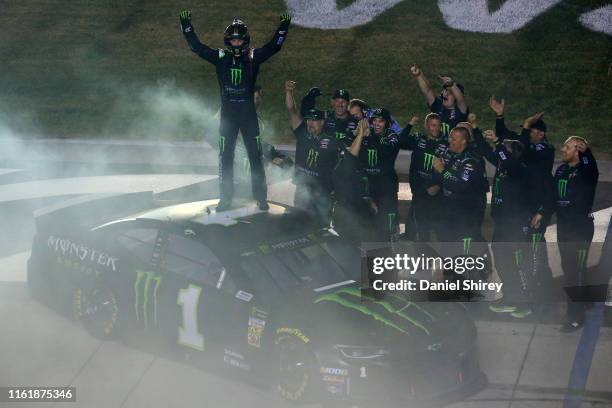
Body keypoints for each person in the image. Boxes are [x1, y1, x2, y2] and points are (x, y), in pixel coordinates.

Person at [179, 10, 292, 211]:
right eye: (233, 40)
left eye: (240, 40)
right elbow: (196, 47)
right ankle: (225, 199)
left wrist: (283, 27)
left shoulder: (253, 56)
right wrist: (186, 25)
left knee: (255, 158)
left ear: (245, 41)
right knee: (225, 159)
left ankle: (261, 198)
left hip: (248, 119)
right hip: (228, 120)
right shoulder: (220, 56)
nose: (237, 43)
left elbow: (275, 46)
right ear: (227, 41)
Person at [489, 97, 555, 293]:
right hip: (528, 204)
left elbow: (519, 146)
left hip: (539, 205)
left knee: (534, 251)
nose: (525, 134)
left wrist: (542, 211)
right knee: (527, 250)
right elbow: (508, 137)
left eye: (530, 130)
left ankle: (540, 289)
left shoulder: (545, 149)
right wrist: (499, 116)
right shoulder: (526, 145)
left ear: (541, 134)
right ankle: (535, 288)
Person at [539, 136, 599, 332]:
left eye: (567, 147)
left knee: (575, 271)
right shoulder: (561, 170)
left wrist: (587, 152)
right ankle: (586, 300)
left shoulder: (586, 171)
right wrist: (543, 213)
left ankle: (576, 316)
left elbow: (591, 170)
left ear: (577, 150)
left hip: (580, 228)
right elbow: (553, 197)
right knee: (569, 268)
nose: (563, 149)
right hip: (564, 227)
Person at [474, 129, 532, 317]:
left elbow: (505, 158)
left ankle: (524, 302)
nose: (501, 153)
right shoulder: (503, 165)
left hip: (515, 224)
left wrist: (499, 142)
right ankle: (510, 296)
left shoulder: (519, 169)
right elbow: (485, 150)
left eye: (506, 150)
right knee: (502, 261)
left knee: (517, 263)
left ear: (514, 154)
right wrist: (475, 129)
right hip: (502, 223)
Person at [209, 85, 293, 188]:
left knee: (287, 163)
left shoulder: (257, 121)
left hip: (250, 179)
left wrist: (273, 156)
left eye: (260, 98)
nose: (259, 101)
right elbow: (210, 135)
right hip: (233, 178)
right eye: (256, 98)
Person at [285, 80, 341, 224]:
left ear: (322, 122)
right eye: (308, 119)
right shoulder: (302, 132)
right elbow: (291, 110)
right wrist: (289, 92)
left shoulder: (332, 141)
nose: (310, 123)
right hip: (302, 190)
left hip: (323, 193)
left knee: (321, 226)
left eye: (314, 120)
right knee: (299, 224)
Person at [349, 108, 404, 241]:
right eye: (374, 121)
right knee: (370, 226)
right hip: (369, 187)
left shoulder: (392, 136)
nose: (377, 124)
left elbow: (385, 151)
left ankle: (391, 251)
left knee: (389, 225)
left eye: (381, 121)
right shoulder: (366, 135)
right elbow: (351, 154)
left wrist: (369, 136)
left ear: (387, 123)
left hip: (387, 189)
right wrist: (358, 135)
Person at [432, 127, 485, 252]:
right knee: (447, 244)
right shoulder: (449, 154)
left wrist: (442, 170)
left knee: (464, 250)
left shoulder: (471, 160)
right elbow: (440, 178)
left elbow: (460, 185)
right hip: (449, 209)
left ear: (464, 141)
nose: (450, 141)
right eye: (450, 137)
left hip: (466, 213)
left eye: (454, 139)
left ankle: (478, 265)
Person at [400, 113, 448, 241]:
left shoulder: (447, 143)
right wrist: (410, 124)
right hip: (419, 187)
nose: (436, 128)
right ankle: (419, 246)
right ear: (427, 126)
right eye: (432, 125)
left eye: (438, 126)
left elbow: (448, 168)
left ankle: (443, 253)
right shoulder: (418, 138)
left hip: (436, 190)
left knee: (438, 225)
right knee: (421, 222)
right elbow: (401, 141)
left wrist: (437, 185)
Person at [410, 64, 469, 138]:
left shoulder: (461, 110)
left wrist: (451, 84)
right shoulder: (438, 105)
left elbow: (461, 99)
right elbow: (427, 91)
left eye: (450, 93)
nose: (446, 94)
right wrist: (418, 75)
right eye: (445, 90)